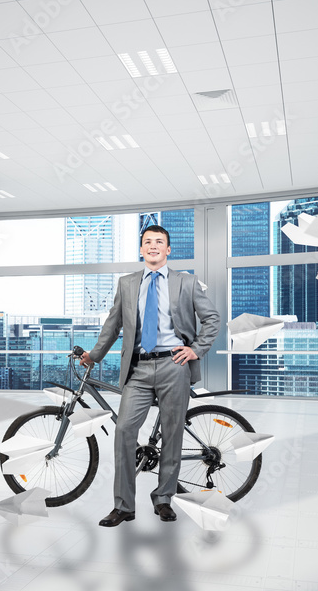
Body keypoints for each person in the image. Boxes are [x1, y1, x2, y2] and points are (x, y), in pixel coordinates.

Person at [79, 225, 220, 527]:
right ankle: (123, 506)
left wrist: (196, 350)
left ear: (168, 250)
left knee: (172, 435)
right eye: (147, 242)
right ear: (141, 249)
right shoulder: (128, 283)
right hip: (139, 368)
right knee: (124, 431)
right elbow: (112, 324)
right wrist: (94, 355)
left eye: (159, 242)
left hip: (174, 366)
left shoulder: (187, 282)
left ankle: (164, 499)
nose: (153, 246)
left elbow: (212, 319)